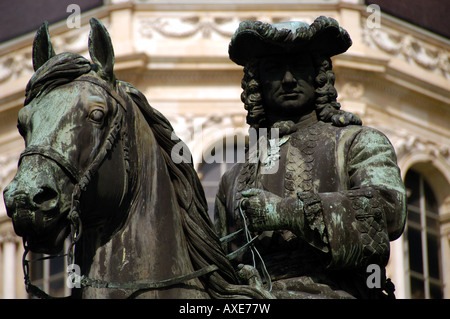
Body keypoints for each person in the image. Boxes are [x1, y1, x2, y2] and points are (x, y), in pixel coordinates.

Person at [214, 17, 406, 299]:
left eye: (300, 67)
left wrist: (286, 212)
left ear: (319, 76)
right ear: (258, 83)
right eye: (274, 69)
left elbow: (389, 210)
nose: (289, 79)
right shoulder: (232, 179)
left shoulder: (356, 141)